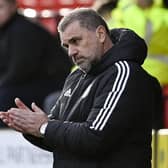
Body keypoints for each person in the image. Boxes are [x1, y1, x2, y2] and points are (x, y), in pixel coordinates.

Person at [0, 8, 162, 168]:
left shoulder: (124, 73)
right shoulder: (75, 77)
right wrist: (30, 127)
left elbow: (95, 136)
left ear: (100, 34)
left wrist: (44, 126)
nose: (71, 52)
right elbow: (59, 138)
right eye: (66, 45)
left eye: (76, 41)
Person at [0, 0, 72, 126]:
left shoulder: (22, 29)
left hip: (52, 83)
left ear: (13, 6)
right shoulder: (6, 29)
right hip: (25, 83)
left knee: (4, 96)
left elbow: (19, 70)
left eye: (0, 7)